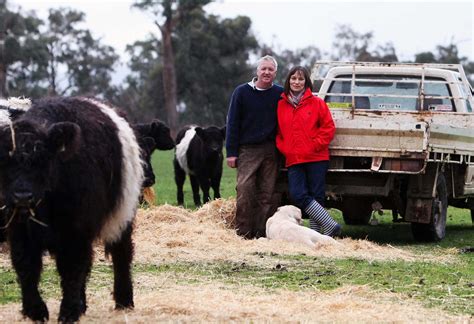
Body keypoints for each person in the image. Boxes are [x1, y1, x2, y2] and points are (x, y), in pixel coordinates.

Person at [276, 66, 341, 237]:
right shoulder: (281, 104)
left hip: (316, 157)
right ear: (288, 81)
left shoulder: (317, 102)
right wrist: (285, 148)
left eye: (300, 79)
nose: (296, 82)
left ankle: (317, 236)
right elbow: (278, 132)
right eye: (293, 78)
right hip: (294, 158)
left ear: (306, 82)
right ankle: (329, 224)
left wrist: (315, 145)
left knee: (316, 196)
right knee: (298, 195)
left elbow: (328, 127)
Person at [226, 55, 284, 239]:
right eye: (263, 69)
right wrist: (231, 152)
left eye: (270, 70)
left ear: (275, 73)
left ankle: (262, 233)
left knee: (267, 193)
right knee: (245, 189)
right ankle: (243, 233)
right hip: (247, 149)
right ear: (257, 71)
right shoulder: (241, 92)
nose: (266, 72)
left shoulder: (280, 94)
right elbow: (233, 122)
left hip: (271, 149)